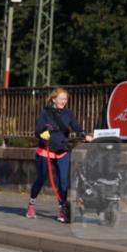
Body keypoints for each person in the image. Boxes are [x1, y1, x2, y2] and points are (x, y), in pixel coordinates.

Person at [26, 87, 92, 222]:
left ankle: (62, 210)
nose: (64, 101)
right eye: (61, 99)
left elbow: (76, 127)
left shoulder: (68, 113)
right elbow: (38, 130)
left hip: (63, 151)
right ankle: (31, 204)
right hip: (46, 151)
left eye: (66, 99)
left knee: (63, 183)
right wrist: (42, 134)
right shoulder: (46, 113)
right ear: (54, 99)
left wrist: (84, 135)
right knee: (41, 179)